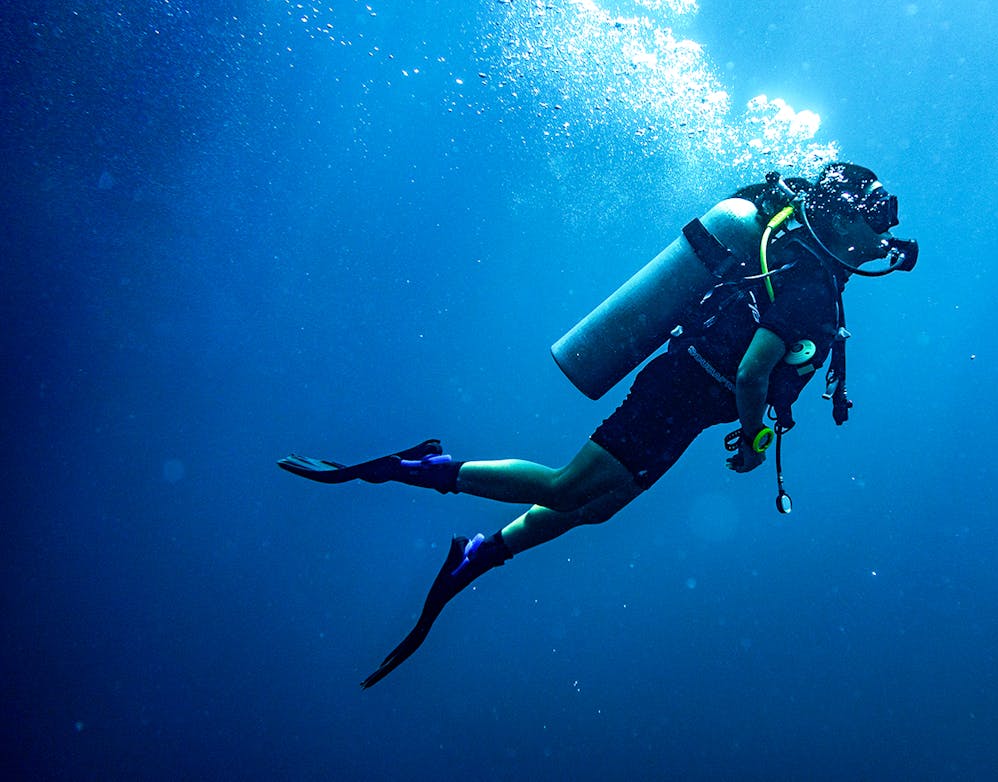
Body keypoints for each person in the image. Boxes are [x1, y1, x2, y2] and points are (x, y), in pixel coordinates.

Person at [279, 162, 915, 687]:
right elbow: (753, 373)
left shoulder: (810, 272)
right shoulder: (809, 286)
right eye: (870, 224)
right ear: (838, 216)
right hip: (681, 391)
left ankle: (475, 554)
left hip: (688, 402)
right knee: (563, 489)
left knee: (598, 506)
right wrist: (754, 439)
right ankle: (413, 467)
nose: (876, 243)